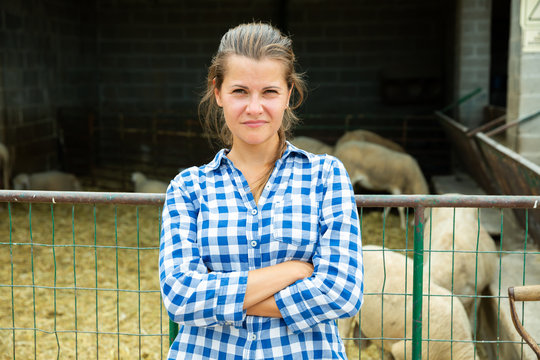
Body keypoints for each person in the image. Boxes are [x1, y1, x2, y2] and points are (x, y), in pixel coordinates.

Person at [159, 22, 363, 359]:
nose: (255, 107)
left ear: (289, 94)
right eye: (240, 91)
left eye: (269, 91)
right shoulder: (188, 188)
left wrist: (220, 298)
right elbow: (180, 298)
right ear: (218, 92)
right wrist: (292, 271)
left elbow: (342, 292)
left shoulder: (325, 176)